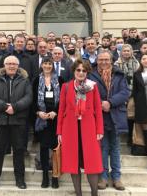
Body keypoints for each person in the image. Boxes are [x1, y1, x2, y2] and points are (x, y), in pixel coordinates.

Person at [57, 58, 104, 196]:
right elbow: (61, 110)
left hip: (89, 128)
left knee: (92, 163)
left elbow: (98, 109)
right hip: (70, 129)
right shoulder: (66, 87)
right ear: (74, 71)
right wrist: (59, 131)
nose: (81, 72)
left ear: (87, 72)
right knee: (73, 163)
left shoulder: (93, 86)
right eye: (78, 70)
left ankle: (94, 193)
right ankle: (78, 194)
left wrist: (100, 129)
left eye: (84, 70)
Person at [0, 56, 32, 190]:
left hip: (18, 121)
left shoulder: (25, 80)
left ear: (18, 66)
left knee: (19, 150)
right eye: (9, 64)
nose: (11, 66)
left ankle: (20, 179)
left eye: (14, 64)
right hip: (1, 121)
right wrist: (5, 107)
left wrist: (15, 107)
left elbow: (28, 97)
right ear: (4, 65)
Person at [88, 50, 129, 191]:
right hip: (99, 116)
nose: (104, 62)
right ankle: (103, 177)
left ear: (111, 60)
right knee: (103, 148)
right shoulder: (91, 75)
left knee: (115, 147)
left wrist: (110, 103)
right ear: (97, 61)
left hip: (115, 114)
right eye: (101, 60)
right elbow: (87, 92)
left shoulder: (119, 74)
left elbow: (125, 92)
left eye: (106, 59)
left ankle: (117, 177)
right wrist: (100, 103)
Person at [32, 56, 63, 188]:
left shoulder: (60, 80)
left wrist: (55, 111)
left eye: (49, 64)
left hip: (56, 118)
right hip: (42, 119)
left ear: (53, 65)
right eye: (45, 63)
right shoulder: (36, 80)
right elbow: (32, 100)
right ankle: (45, 175)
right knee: (44, 148)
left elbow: (63, 99)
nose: (47, 66)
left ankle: (55, 176)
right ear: (42, 65)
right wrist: (39, 112)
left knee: (56, 148)